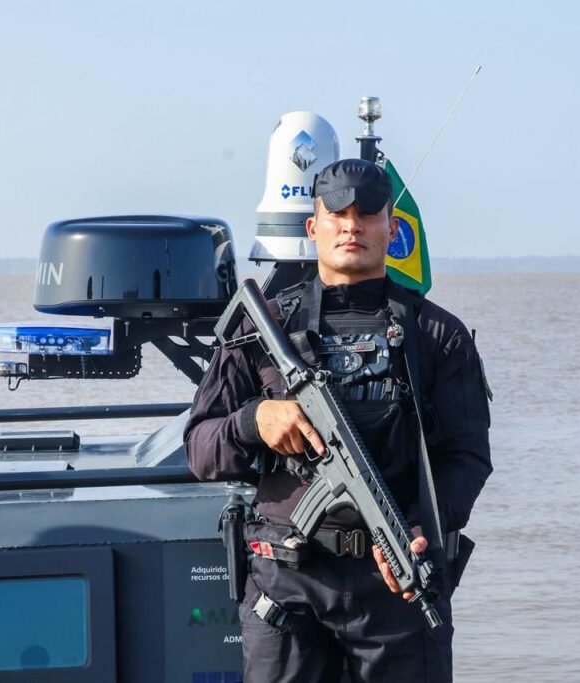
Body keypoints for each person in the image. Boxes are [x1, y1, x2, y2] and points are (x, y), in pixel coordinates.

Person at [185, 158, 492, 682]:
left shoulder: (437, 335)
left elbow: (467, 457)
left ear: (391, 229)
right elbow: (199, 448)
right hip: (287, 588)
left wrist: (425, 526)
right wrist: (254, 421)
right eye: (338, 214)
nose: (352, 227)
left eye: (368, 214)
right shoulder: (261, 329)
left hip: (397, 590)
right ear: (313, 227)